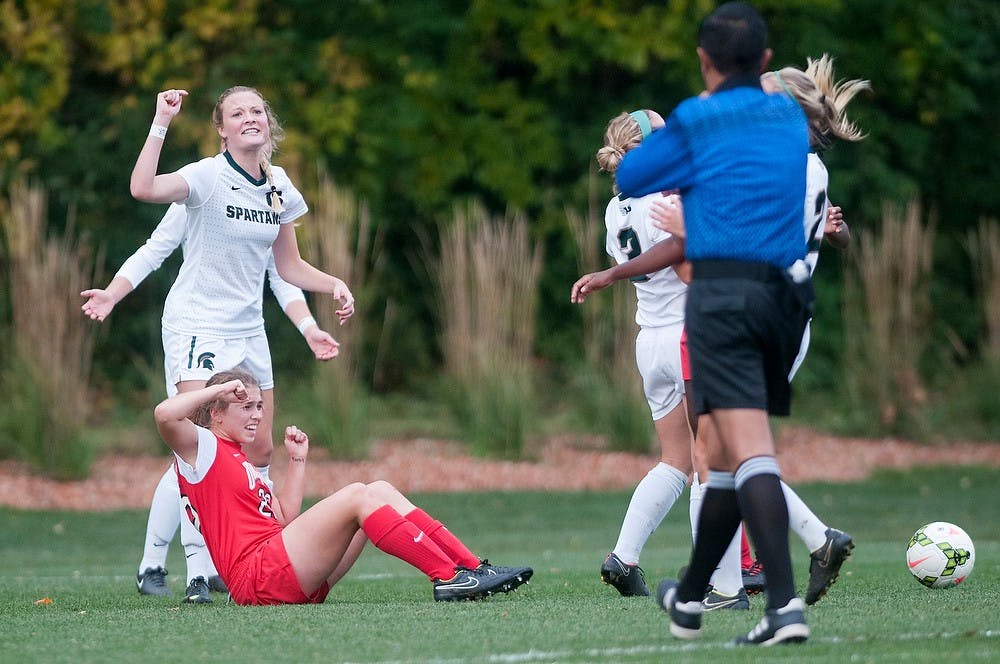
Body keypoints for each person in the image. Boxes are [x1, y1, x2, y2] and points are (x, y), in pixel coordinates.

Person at [597, 1, 812, 646]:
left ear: (703, 59)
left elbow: (634, 172)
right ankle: (692, 597)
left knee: (742, 453)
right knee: (718, 458)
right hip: (782, 297)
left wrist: (692, 130)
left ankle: (783, 605)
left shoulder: (698, 117)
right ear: (767, 62)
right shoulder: (785, 116)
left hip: (721, 300)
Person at [653, 52, 869, 608]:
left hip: (755, 314)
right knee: (720, 450)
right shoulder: (802, 165)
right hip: (773, 314)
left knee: (719, 453)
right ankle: (806, 547)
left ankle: (733, 586)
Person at [81, 203, 339, 602]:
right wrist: (113, 294)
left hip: (248, 329)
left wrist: (308, 328)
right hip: (198, 327)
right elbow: (155, 247)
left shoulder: (271, 191)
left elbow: (282, 270)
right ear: (223, 135)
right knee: (201, 446)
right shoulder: (205, 185)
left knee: (259, 447)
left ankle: (231, 557)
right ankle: (178, 568)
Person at [156, 369, 533, 604]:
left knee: (379, 489)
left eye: (258, 405)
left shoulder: (242, 461)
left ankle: (470, 568)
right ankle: (448, 579)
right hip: (256, 579)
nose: (257, 414)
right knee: (356, 494)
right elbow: (164, 414)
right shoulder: (203, 448)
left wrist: (298, 461)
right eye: (245, 405)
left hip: (278, 570)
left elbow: (285, 520)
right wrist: (217, 389)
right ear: (216, 413)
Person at [587, 110, 694, 598]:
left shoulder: (615, 209)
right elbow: (681, 258)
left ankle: (624, 556)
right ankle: (720, 576)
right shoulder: (667, 198)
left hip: (648, 340)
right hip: (687, 335)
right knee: (714, 463)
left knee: (676, 460)